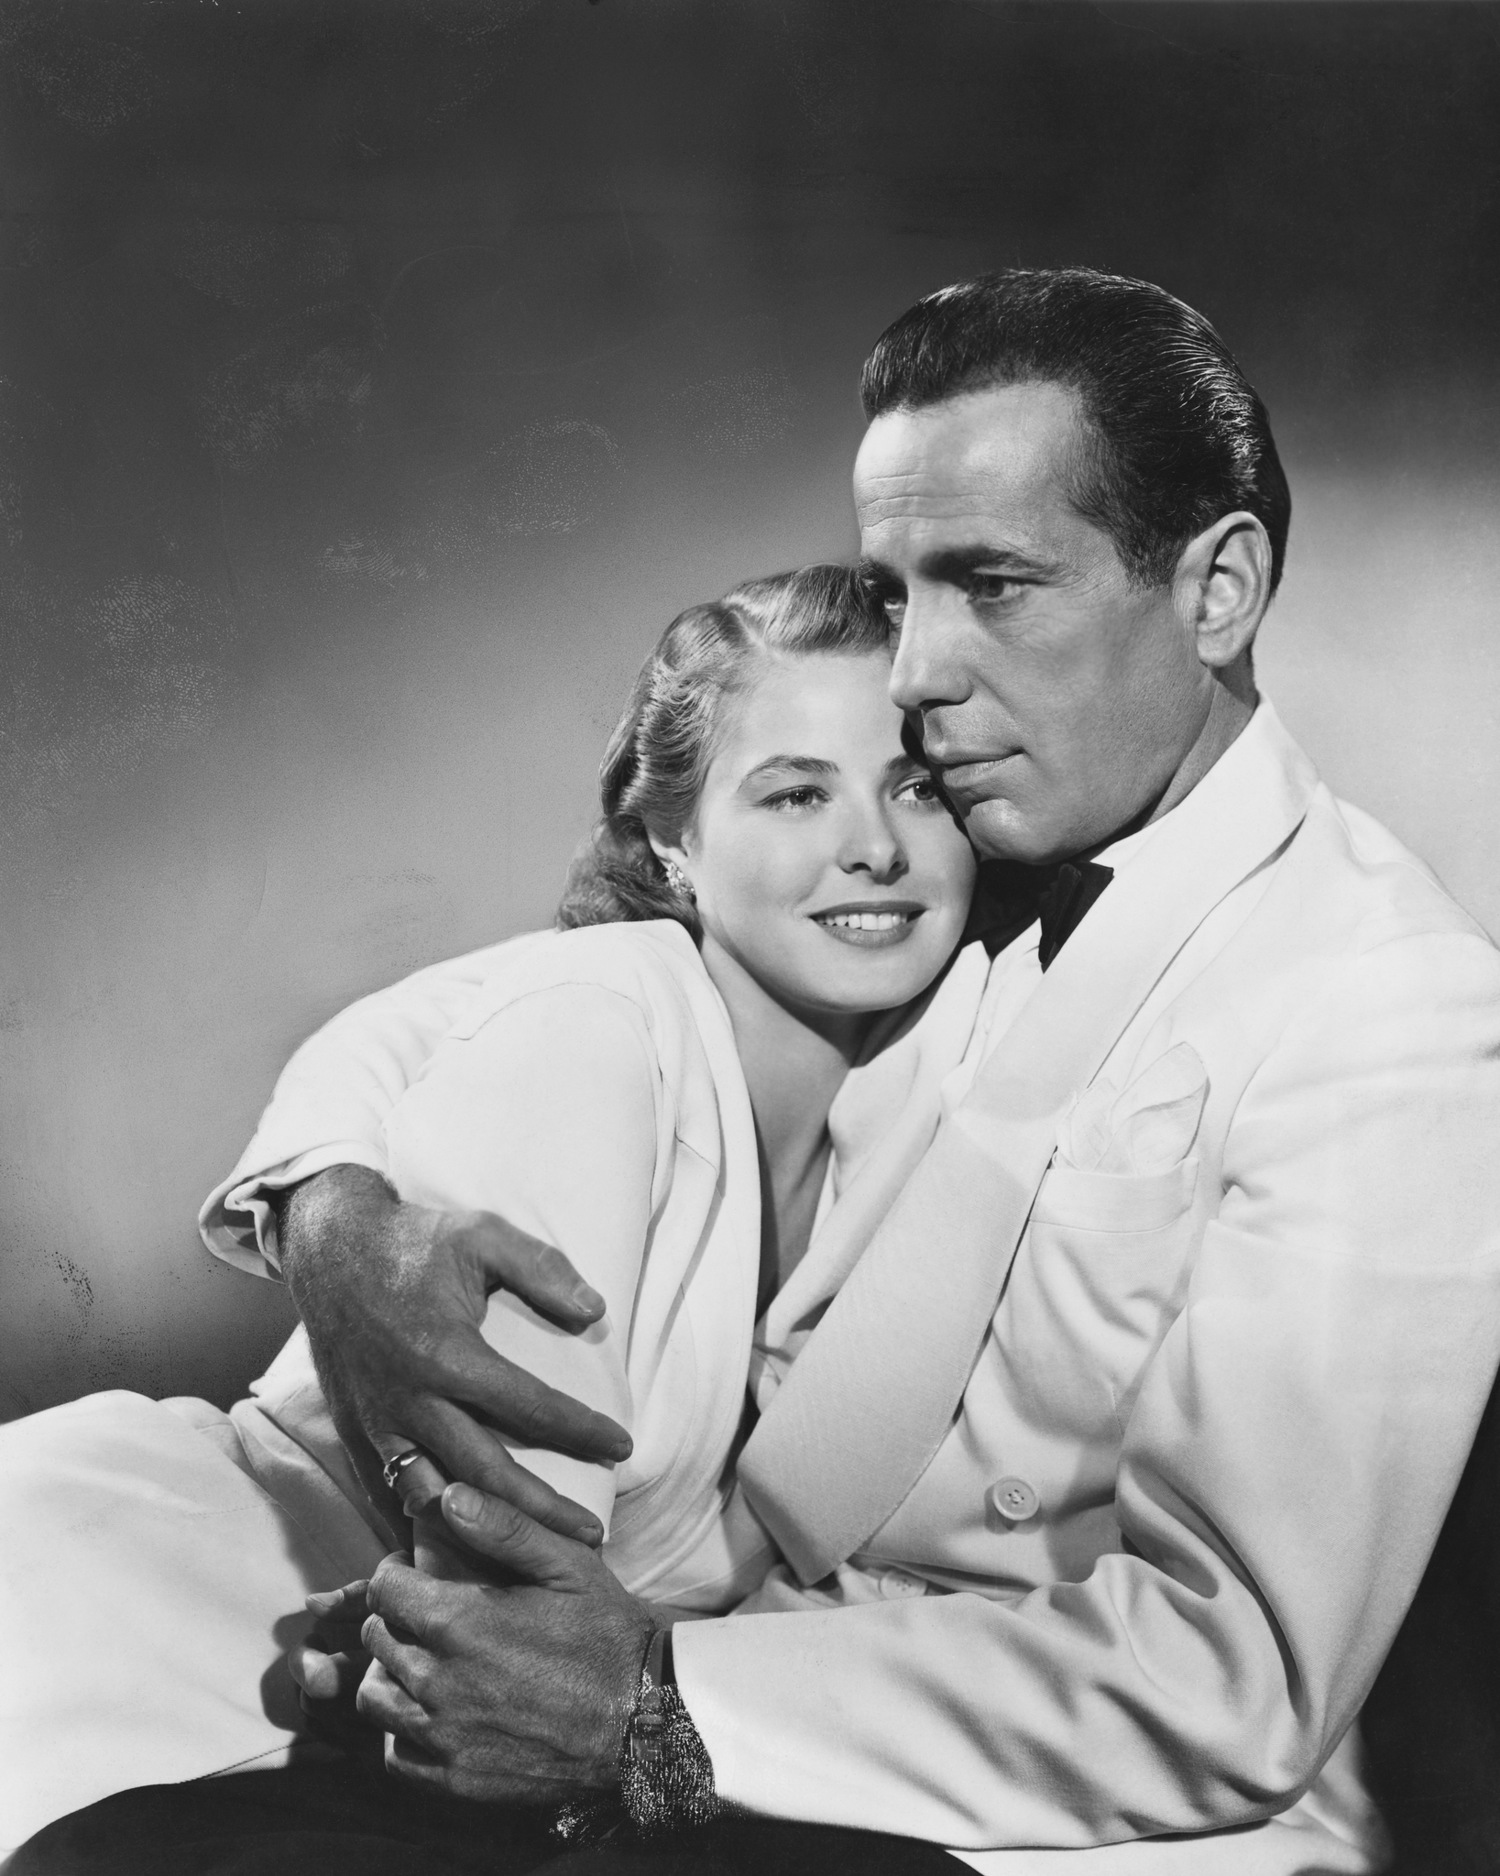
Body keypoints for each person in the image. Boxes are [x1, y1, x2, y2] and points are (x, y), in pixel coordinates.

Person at [18, 267, 1500, 1876]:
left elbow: (1226, 1683)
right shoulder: (963, 847)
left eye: (993, 584)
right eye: (901, 590)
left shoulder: (1384, 1003)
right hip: (646, 1680)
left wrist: (651, 1708)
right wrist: (330, 1206)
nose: (916, 676)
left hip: (1012, 1801)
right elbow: (513, 1001)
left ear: (1217, 589)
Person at [0, 566, 987, 1857]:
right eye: (796, 792)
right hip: (147, 1614)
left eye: (917, 787)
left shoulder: (929, 1105)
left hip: (394, 1715)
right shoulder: (595, 1027)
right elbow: (505, 1597)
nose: (877, 846)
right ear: (674, 843)